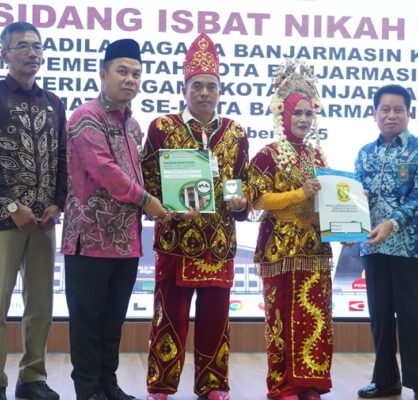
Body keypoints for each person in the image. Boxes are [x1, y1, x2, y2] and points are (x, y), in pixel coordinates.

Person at [142, 33, 249, 400]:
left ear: (220, 91)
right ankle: (160, 385)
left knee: (215, 319)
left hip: (218, 243)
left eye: (211, 87)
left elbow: (241, 181)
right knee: (168, 315)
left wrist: (241, 203)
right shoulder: (162, 127)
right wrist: (165, 207)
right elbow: (148, 179)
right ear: (184, 89)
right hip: (176, 241)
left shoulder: (235, 132)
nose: (204, 93)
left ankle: (213, 384)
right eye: (197, 86)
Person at [61, 38, 169, 400]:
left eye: (136, 74)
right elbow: (106, 171)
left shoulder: (133, 125)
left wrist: (169, 199)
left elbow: (138, 174)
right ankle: (88, 389)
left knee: (112, 321)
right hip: (90, 240)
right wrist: (149, 201)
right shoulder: (85, 117)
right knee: (88, 322)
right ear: (103, 73)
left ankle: (108, 384)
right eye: (122, 71)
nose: (130, 79)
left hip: (126, 241)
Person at [0, 22, 66, 400]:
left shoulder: (53, 101)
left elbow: (62, 158)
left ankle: (32, 377)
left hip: (43, 221)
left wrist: (58, 202)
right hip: (3, 218)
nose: (32, 53)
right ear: (4, 54)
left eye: (37, 46)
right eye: (22, 46)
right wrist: (12, 205)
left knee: (41, 305)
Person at [248, 59, 332, 400]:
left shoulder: (317, 156)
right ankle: (283, 384)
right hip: (280, 249)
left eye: (309, 113)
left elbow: (327, 201)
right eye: (297, 113)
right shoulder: (268, 155)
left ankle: (310, 383)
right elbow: (256, 199)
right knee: (281, 317)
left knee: (315, 317)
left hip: (315, 248)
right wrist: (299, 193)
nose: (304, 119)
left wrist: (351, 207)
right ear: (283, 114)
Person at [355, 84, 418, 400]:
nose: (391, 115)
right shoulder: (365, 152)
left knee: (415, 317)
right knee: (380, 317)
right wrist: (349, 229)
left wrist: (392, 223)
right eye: (385, 109)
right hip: (374, 246)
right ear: (374, 113)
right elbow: (355, 198)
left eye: (398, 109)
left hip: (411, 247)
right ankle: (385, 380)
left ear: (408, 113)